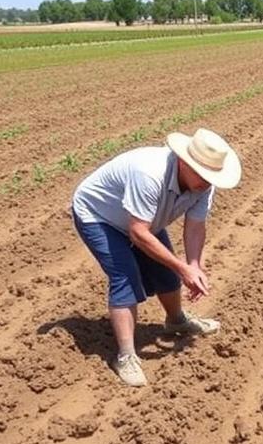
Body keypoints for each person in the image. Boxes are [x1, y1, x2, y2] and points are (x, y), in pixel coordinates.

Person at [71, 128, 242, 386]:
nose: (207, 183)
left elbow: (195, 226)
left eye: (211, 177)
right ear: (184, 162)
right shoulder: (149, 174)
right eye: (203, 175)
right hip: (99, 215)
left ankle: (176, 321)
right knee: (125, 277)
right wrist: (182, 267)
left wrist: (193, 265)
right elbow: (138, 233)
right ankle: (126, 355)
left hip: (143, 219)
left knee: (167, 273)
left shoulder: (204, 184)